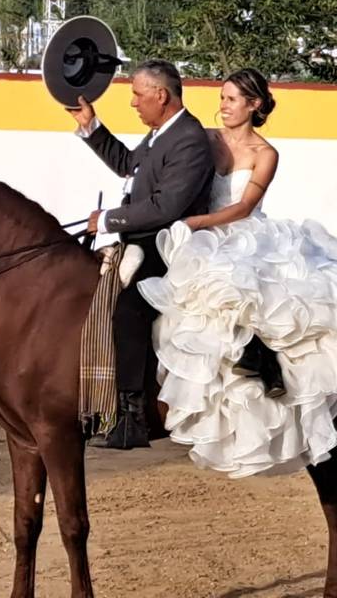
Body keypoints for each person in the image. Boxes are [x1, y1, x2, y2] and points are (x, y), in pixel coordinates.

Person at [137, 68, 337, 477]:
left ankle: (265, 368)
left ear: (254, 105)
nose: (222, 106)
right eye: (221, 98)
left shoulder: (265, 153)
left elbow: (241, 208)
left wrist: (198, 223)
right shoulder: (204, 138)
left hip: (241, 232)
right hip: (198, 232)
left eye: (232, 99)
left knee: (244, 287)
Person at [69, 58, 214, 450]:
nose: (133, 103)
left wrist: (108, 220)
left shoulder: (189, 139)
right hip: (144, 237)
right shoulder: (162, 134)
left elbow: (167, 207)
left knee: (130, 307)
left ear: (160, 95)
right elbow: (128, 166)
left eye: (137, 94)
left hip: (168, 244)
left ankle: (131, 415)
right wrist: (91, 125)